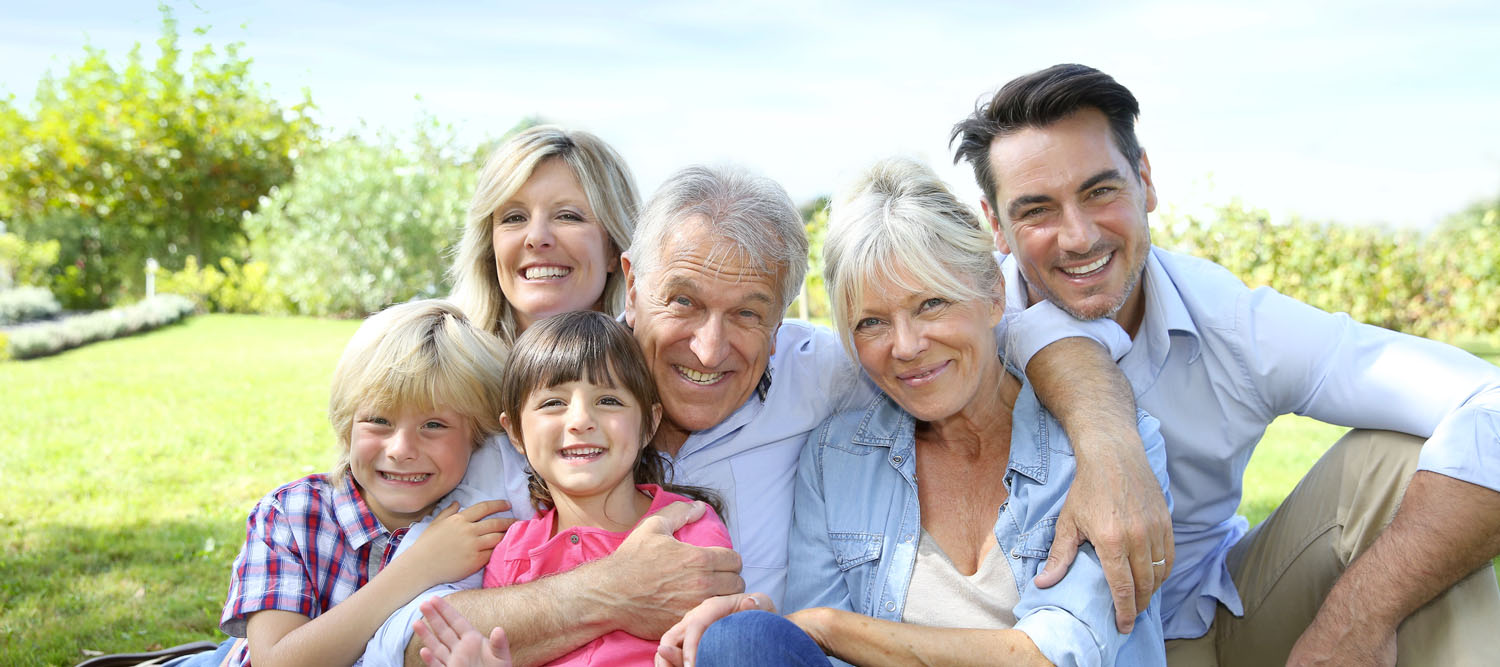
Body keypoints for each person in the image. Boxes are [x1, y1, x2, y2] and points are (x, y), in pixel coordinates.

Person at [365, 164, 1153, 667]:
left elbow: (1000, 329)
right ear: (631, 281)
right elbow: (403, 644)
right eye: (682, 301)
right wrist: (610, 591)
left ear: (784, 320)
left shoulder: (836, 378)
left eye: (747, 312)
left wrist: (1106, 437)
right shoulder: (530, 430)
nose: (710, 347)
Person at [951, 63, 1500, 665]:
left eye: (1100, 191)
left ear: (1145, 181)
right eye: (1037, 211)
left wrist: (1359, 617)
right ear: (996, 225)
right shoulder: (951, 334)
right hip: (1015, 644)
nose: (1079, 237)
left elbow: (1487, 399)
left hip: (1198, 628)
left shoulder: (1236, 326)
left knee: (1398, 464)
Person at [661, 158, 1171, 667]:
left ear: (994, 294)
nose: (905, 346)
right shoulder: (837, 456)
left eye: (932, 304)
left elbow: (1058, 656)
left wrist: (827, 626)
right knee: (739, 640)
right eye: (872, 323)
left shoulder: (1109, 451)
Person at [192, 299, 513, 667]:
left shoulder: (485, 524)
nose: (401, 450)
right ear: (346, 425)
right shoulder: (292, 515)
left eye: (434, 425)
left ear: (478, 435)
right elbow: (277, 662)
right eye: (379, 420)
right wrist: (419, 567)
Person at [477, 310, 731, 666]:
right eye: (553, 403)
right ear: (516, 432)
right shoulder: (512, 553)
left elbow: (717, 639)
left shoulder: (689, 527)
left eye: (608, 401)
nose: (581, 421)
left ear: (648, 424)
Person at [449, 124, 640, 345]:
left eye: (567, 216)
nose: (537, 238)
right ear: (489, 247)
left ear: (614, 250)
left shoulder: (659, 374)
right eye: (515, 218)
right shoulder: (433, 373)